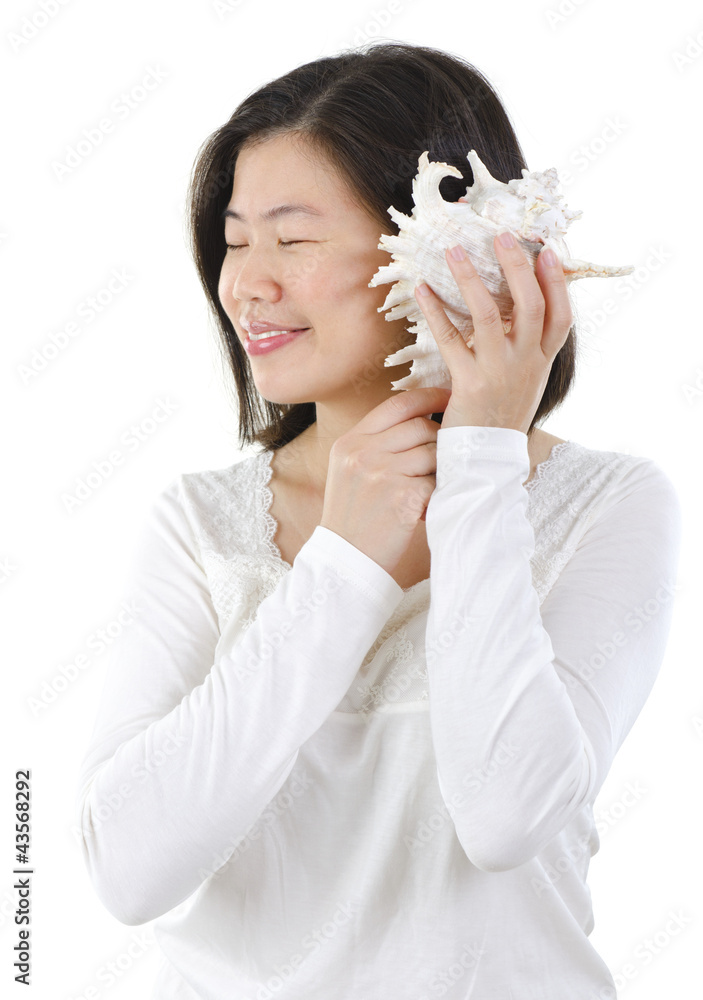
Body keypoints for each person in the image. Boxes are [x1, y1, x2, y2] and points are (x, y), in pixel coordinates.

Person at [74, 42, 682, 999]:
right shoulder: (202, 526)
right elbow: (126, 870)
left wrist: (481, 461)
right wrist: (343, 564)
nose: (246, 284)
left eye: (292, 240)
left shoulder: (605, 506)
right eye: (235, 240)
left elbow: (507, 815)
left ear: (444, 248)